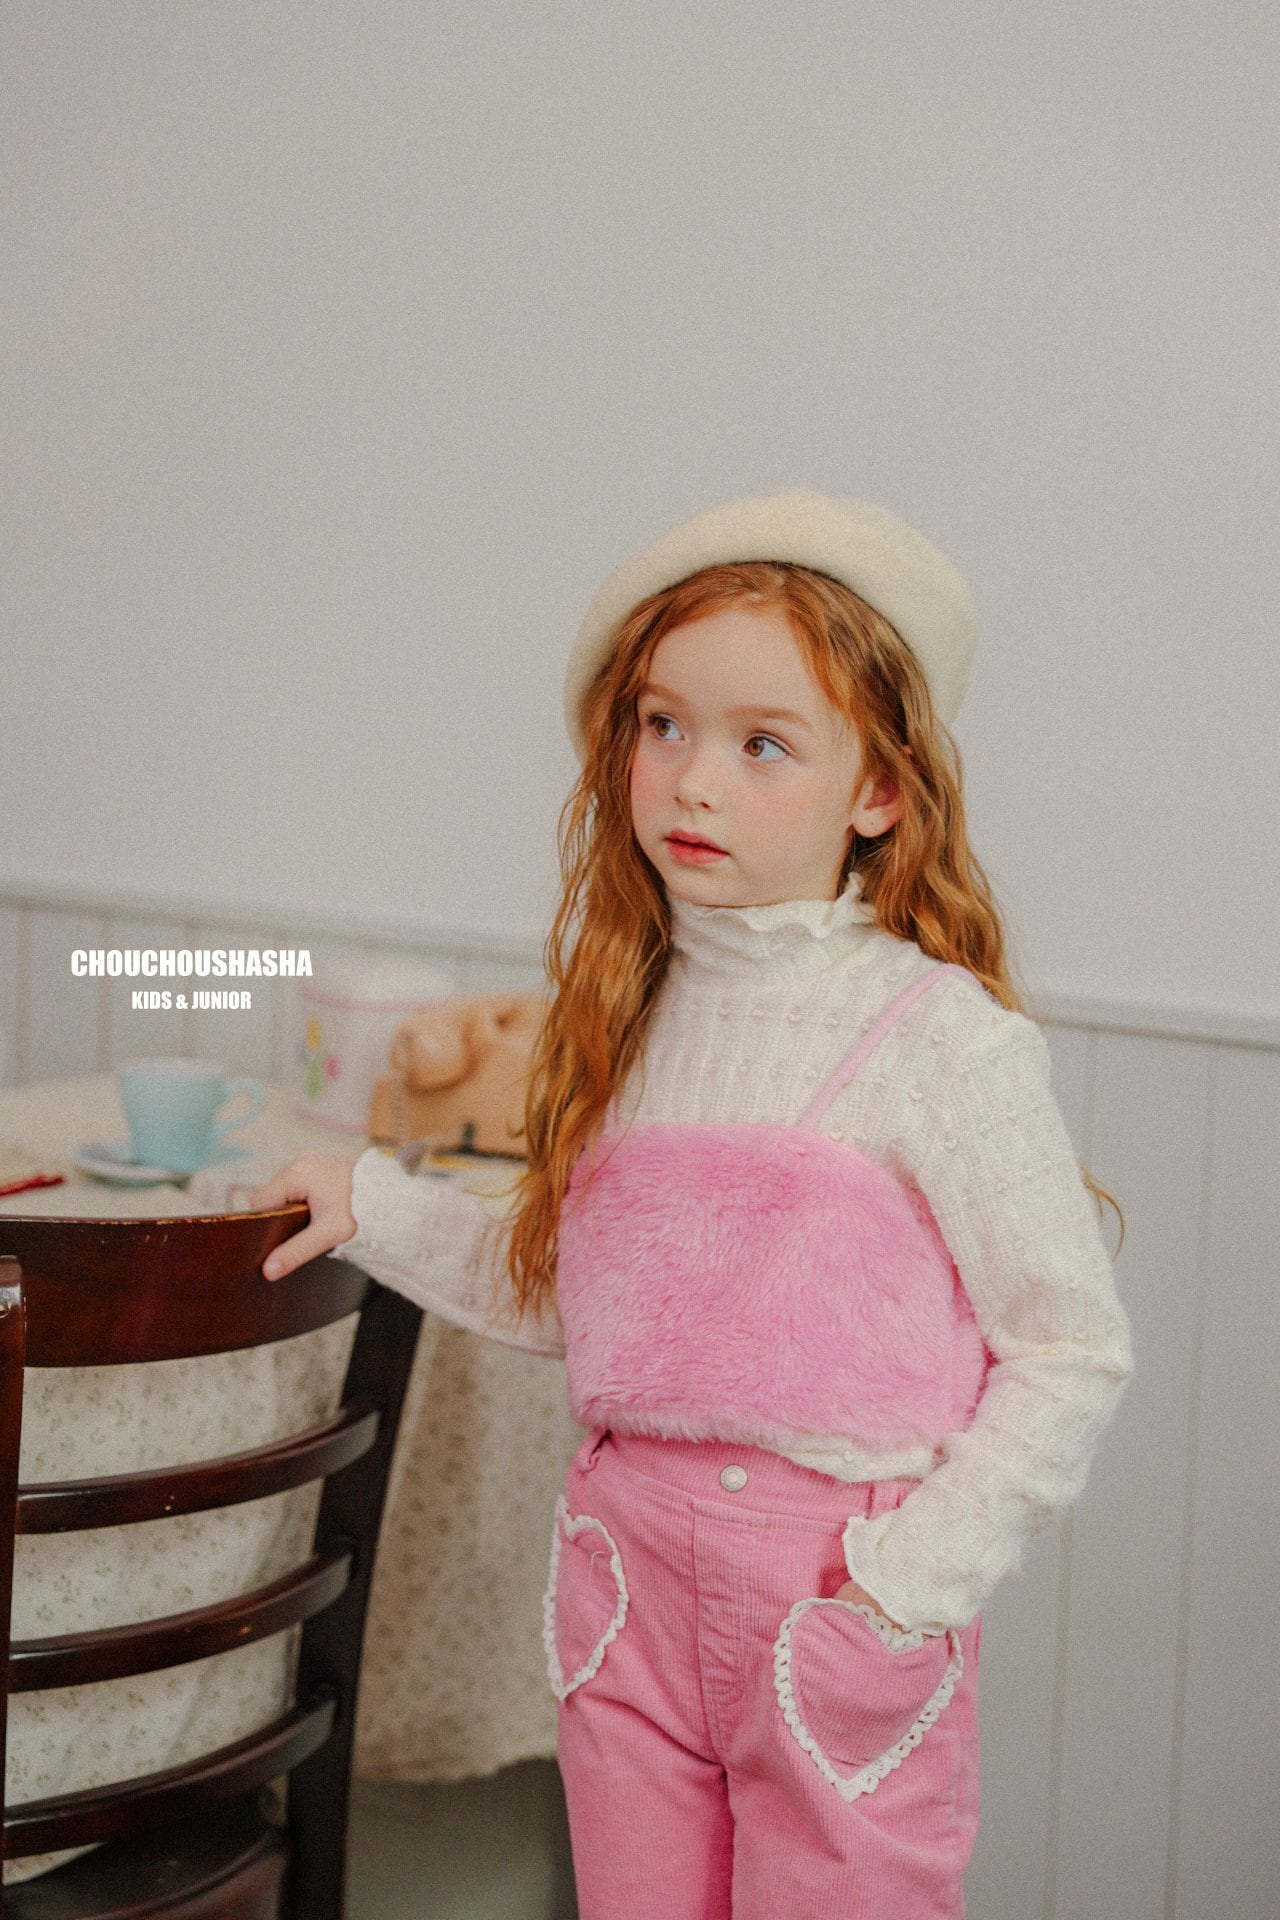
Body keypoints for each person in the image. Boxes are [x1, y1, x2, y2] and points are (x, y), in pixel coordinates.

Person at [250, 491, 1135, 1919]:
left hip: (837, 1594)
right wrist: (376, 1205)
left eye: (762, 743)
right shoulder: (629, 1015)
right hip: (630, 1581)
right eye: (664, 726)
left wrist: (906, 1583)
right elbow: (585, 1301)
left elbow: (1070, 1348)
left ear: (880, 790)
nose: (692, 782)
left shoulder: (938, 1040)